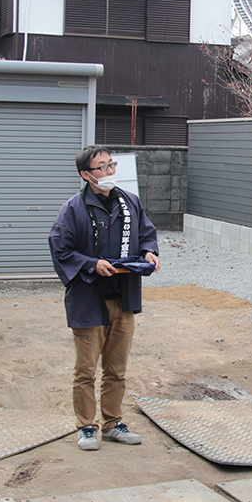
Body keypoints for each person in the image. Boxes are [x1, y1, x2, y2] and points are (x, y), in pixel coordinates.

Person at [49, 145, 159, 451]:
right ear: (86, 174)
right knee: (85, 370)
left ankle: (113, 423)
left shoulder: (129, 202)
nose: (110, 171)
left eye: (111, 165)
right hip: (89, 299)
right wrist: (91, 264)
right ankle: (86, 426)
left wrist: (150, 251)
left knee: (117, 369)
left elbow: (147, 234)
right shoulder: (73, 209)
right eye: (102, 167)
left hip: (123, 298)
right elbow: (60, 249)